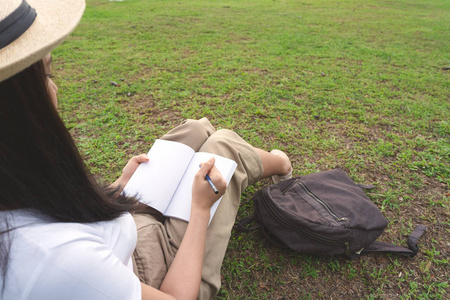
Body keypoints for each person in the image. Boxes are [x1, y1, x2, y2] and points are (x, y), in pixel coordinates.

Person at [0, 0, 292, 299]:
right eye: (47, 75)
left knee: (193, 129)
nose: (55, 87)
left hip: (122, 234)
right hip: (156, 274)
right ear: (20, 108)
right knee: (222, 147)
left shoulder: (14, 180)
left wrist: (116, 189)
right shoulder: (57, 263)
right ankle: (281, 163)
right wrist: (201, 209)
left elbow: (52, 218)